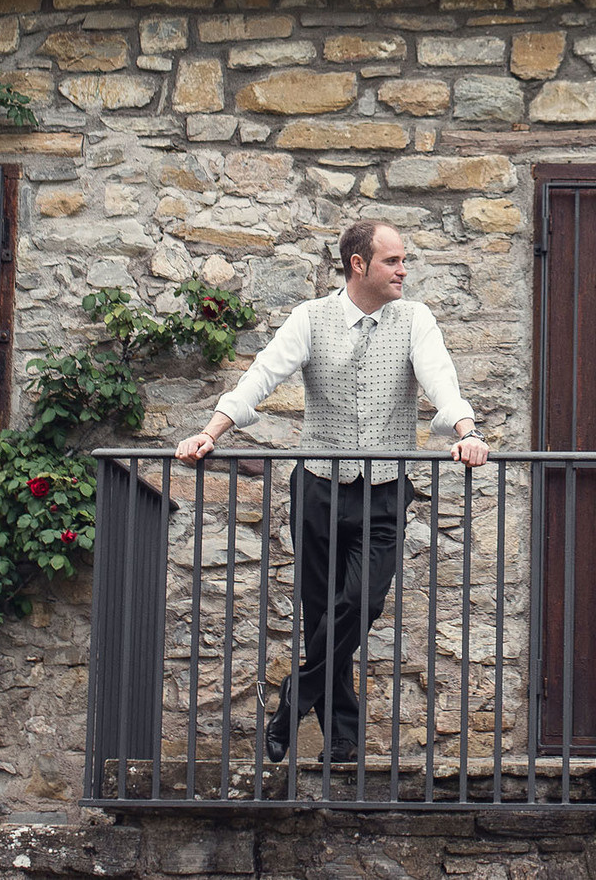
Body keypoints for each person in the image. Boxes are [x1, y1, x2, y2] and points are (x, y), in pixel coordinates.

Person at [175, 219, 489, 765]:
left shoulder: (414, 318)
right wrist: (211, 431)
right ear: (358, 265)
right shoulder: (311, 318)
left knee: (362, 601)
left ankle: (293, 703)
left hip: (385, 493)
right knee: (322, 614)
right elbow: (261, 376)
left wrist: (466, 432)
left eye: (404, 259)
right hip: (318, 486)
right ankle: (342, 739)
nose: (403, 270)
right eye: (393, 261)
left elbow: (441, 379)